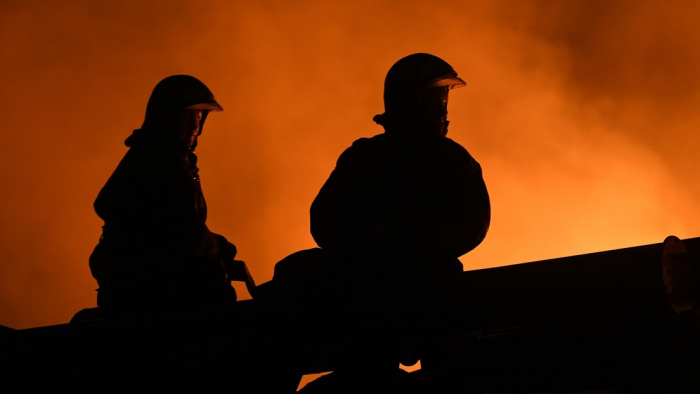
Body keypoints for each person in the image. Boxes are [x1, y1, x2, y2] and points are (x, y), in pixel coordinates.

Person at [89, 75, 244, 316]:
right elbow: (186, 234)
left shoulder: (166, 158)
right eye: (192, 117)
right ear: (170, 119)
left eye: (200, 118)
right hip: (149, 287)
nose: (196, 126)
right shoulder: (157, 162)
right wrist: (222, 250)